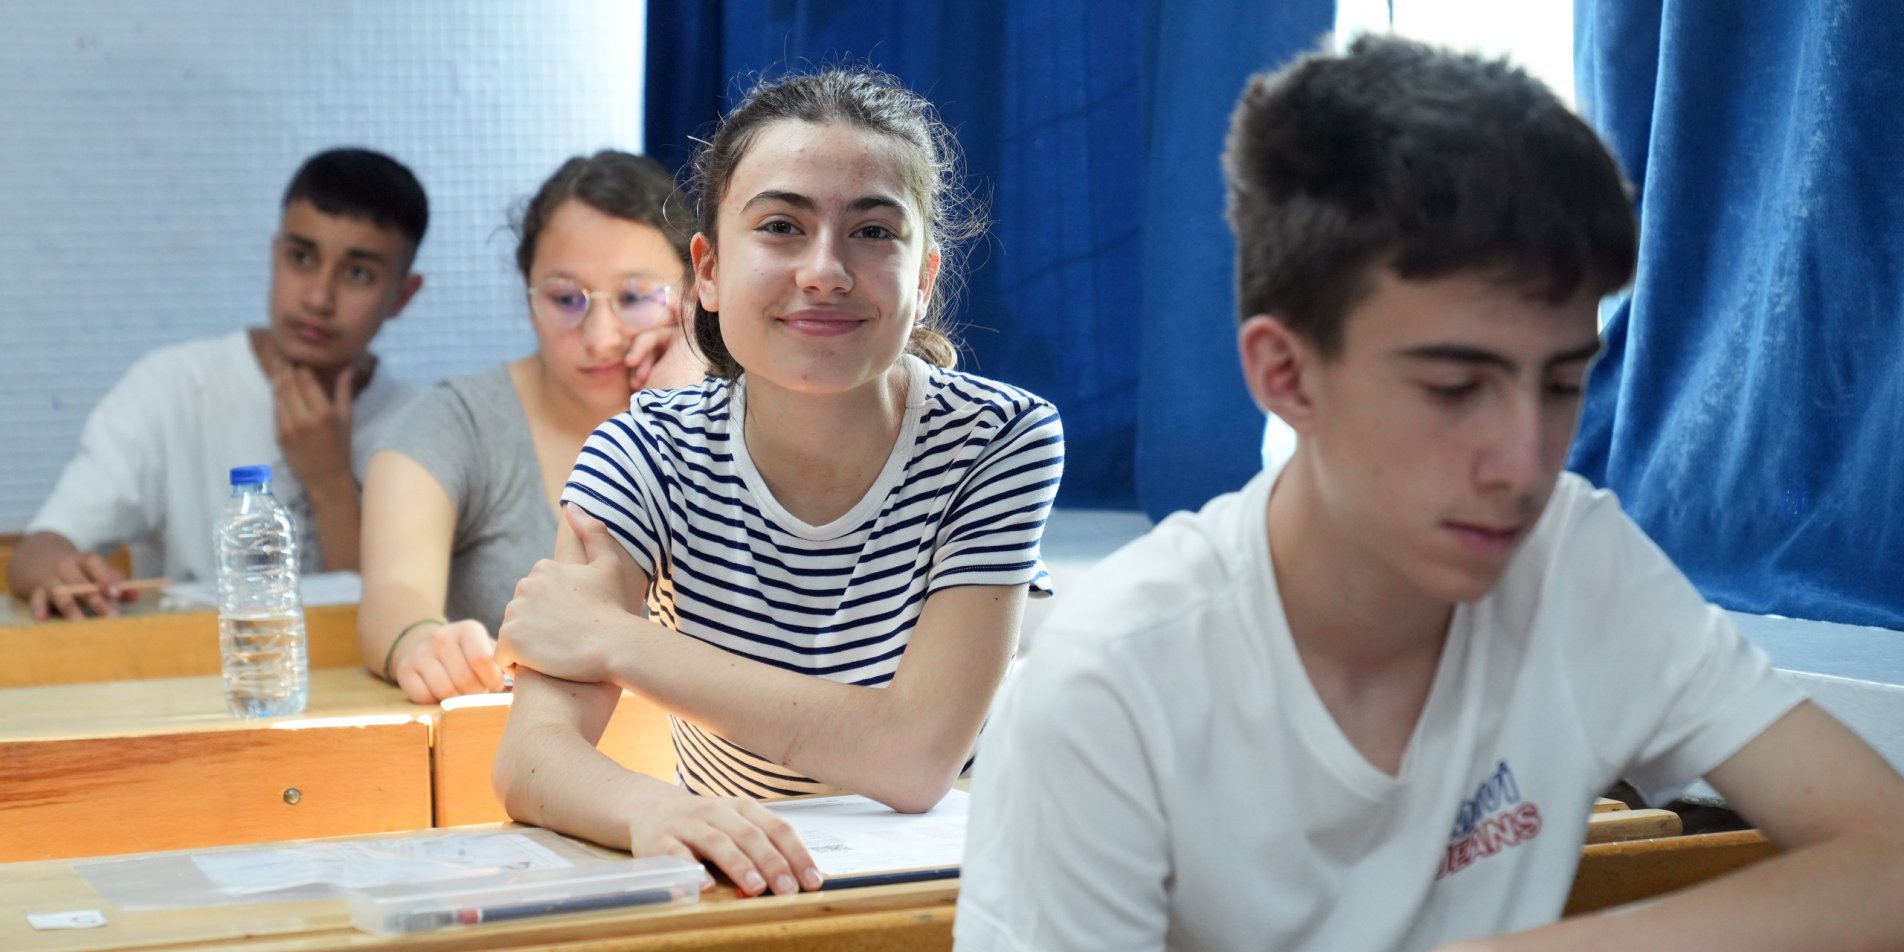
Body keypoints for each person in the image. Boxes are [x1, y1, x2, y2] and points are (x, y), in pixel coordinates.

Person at [955, 35, 1904, 952]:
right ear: (1287, 375)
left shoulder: (1574, 559)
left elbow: (1889, 861)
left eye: (1562, 383)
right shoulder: (1113, 683)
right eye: (1455, 389)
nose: (1524, 466)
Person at [490, 68, 1065, 899]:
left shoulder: (999, 439)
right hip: (748, 880)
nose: (825, 271)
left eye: (873, 230)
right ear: (708, 271)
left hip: (964, 885)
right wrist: (651, 810)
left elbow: (916, 759)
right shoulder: (641, 455)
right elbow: (532, 758)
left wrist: (619, 642)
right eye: (782, 226)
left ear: (925, 278)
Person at [8, 148, 427, 620]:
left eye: (358, 273)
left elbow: (391, 621)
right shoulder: (173, 387)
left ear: (403, 295)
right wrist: (58, 572)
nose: (318, 298)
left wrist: (330, 482)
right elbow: (37, 550)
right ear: (274, 255)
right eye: (301, 257)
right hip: (192, 658)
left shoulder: (421, 425)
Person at [358, 151, 701, 703]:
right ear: (528, 294)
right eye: (566, 299)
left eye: (636, 297)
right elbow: (393, 592)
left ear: (695, 288)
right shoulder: (457, 423)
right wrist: (421, 643)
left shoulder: (741, 413)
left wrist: (697, 386)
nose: (601, 338)